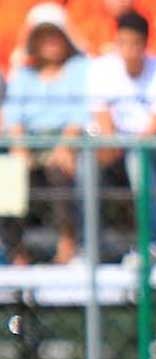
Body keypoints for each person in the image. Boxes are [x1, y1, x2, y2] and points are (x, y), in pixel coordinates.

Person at [89, 10, 156, 262]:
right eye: (123, 43)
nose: (129, 50)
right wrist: (110, 144)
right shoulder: (102, 68)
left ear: (145, 44)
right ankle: (87, 246)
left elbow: (154, 130)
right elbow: (103, 120)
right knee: (84, 164)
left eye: (135, 43)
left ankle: (153, 244)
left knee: (137, 158)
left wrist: (120, 144)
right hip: (118, 150)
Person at [1, 3, 91, 265]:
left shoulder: (80, 69)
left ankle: (68, 243)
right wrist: (20, 148)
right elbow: (13, 115)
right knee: (7, 174)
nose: (50, 42)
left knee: (59, 170)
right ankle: (16, 252)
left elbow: (81, 112)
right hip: (29, 144)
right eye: (44, 36)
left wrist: (64, 147)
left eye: (55, 35)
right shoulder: (24, 75)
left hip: (68, 144)